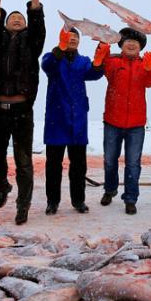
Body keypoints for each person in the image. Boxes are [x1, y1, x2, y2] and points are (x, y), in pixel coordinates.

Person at [0, 0, 46, 225]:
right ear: (6, 24)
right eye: (12, 18)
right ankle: (1, 188)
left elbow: (37, 23)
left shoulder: (33, 43)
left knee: (23, 161)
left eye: (21, 18)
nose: (17, 20)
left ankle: (23, 205)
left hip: (22, 109)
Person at [41, 28, 108, 215]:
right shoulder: (52, 58)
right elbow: (47, 65)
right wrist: (59, 50)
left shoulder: (83, 61)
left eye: (76, 37)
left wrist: (98, 60)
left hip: (78, 120)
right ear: (62, 39)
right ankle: (52, 202)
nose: (73, 39)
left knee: (78, 165)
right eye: (69, 37)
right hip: (57, 119)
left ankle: (78, 200)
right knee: (53, 165)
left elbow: (94, 74)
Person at [101, 27, 151, 215]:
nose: (131, 43)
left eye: (136, 42)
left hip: (136, 124)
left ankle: (130, 198)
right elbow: (100, 63)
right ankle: (110, 190)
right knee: (110, 160)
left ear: (140, 47)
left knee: (133, 163)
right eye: (127, 40)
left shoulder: (145, 64)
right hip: (112, 120)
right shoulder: (112, 62)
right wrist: (103, 43)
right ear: (121, 44)